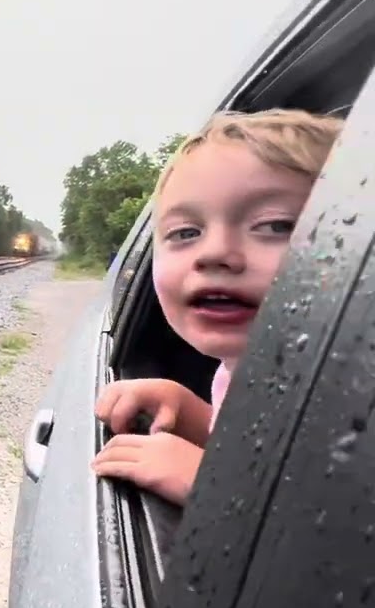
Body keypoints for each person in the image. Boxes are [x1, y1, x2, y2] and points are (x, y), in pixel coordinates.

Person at [90, 108, 345, 505]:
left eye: (277, 225)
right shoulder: (238, 375)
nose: (214, 253)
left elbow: (337, 519)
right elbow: (257, 451)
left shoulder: (350, 393)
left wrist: (216, 486)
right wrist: (186, 408)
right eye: (185, 232)